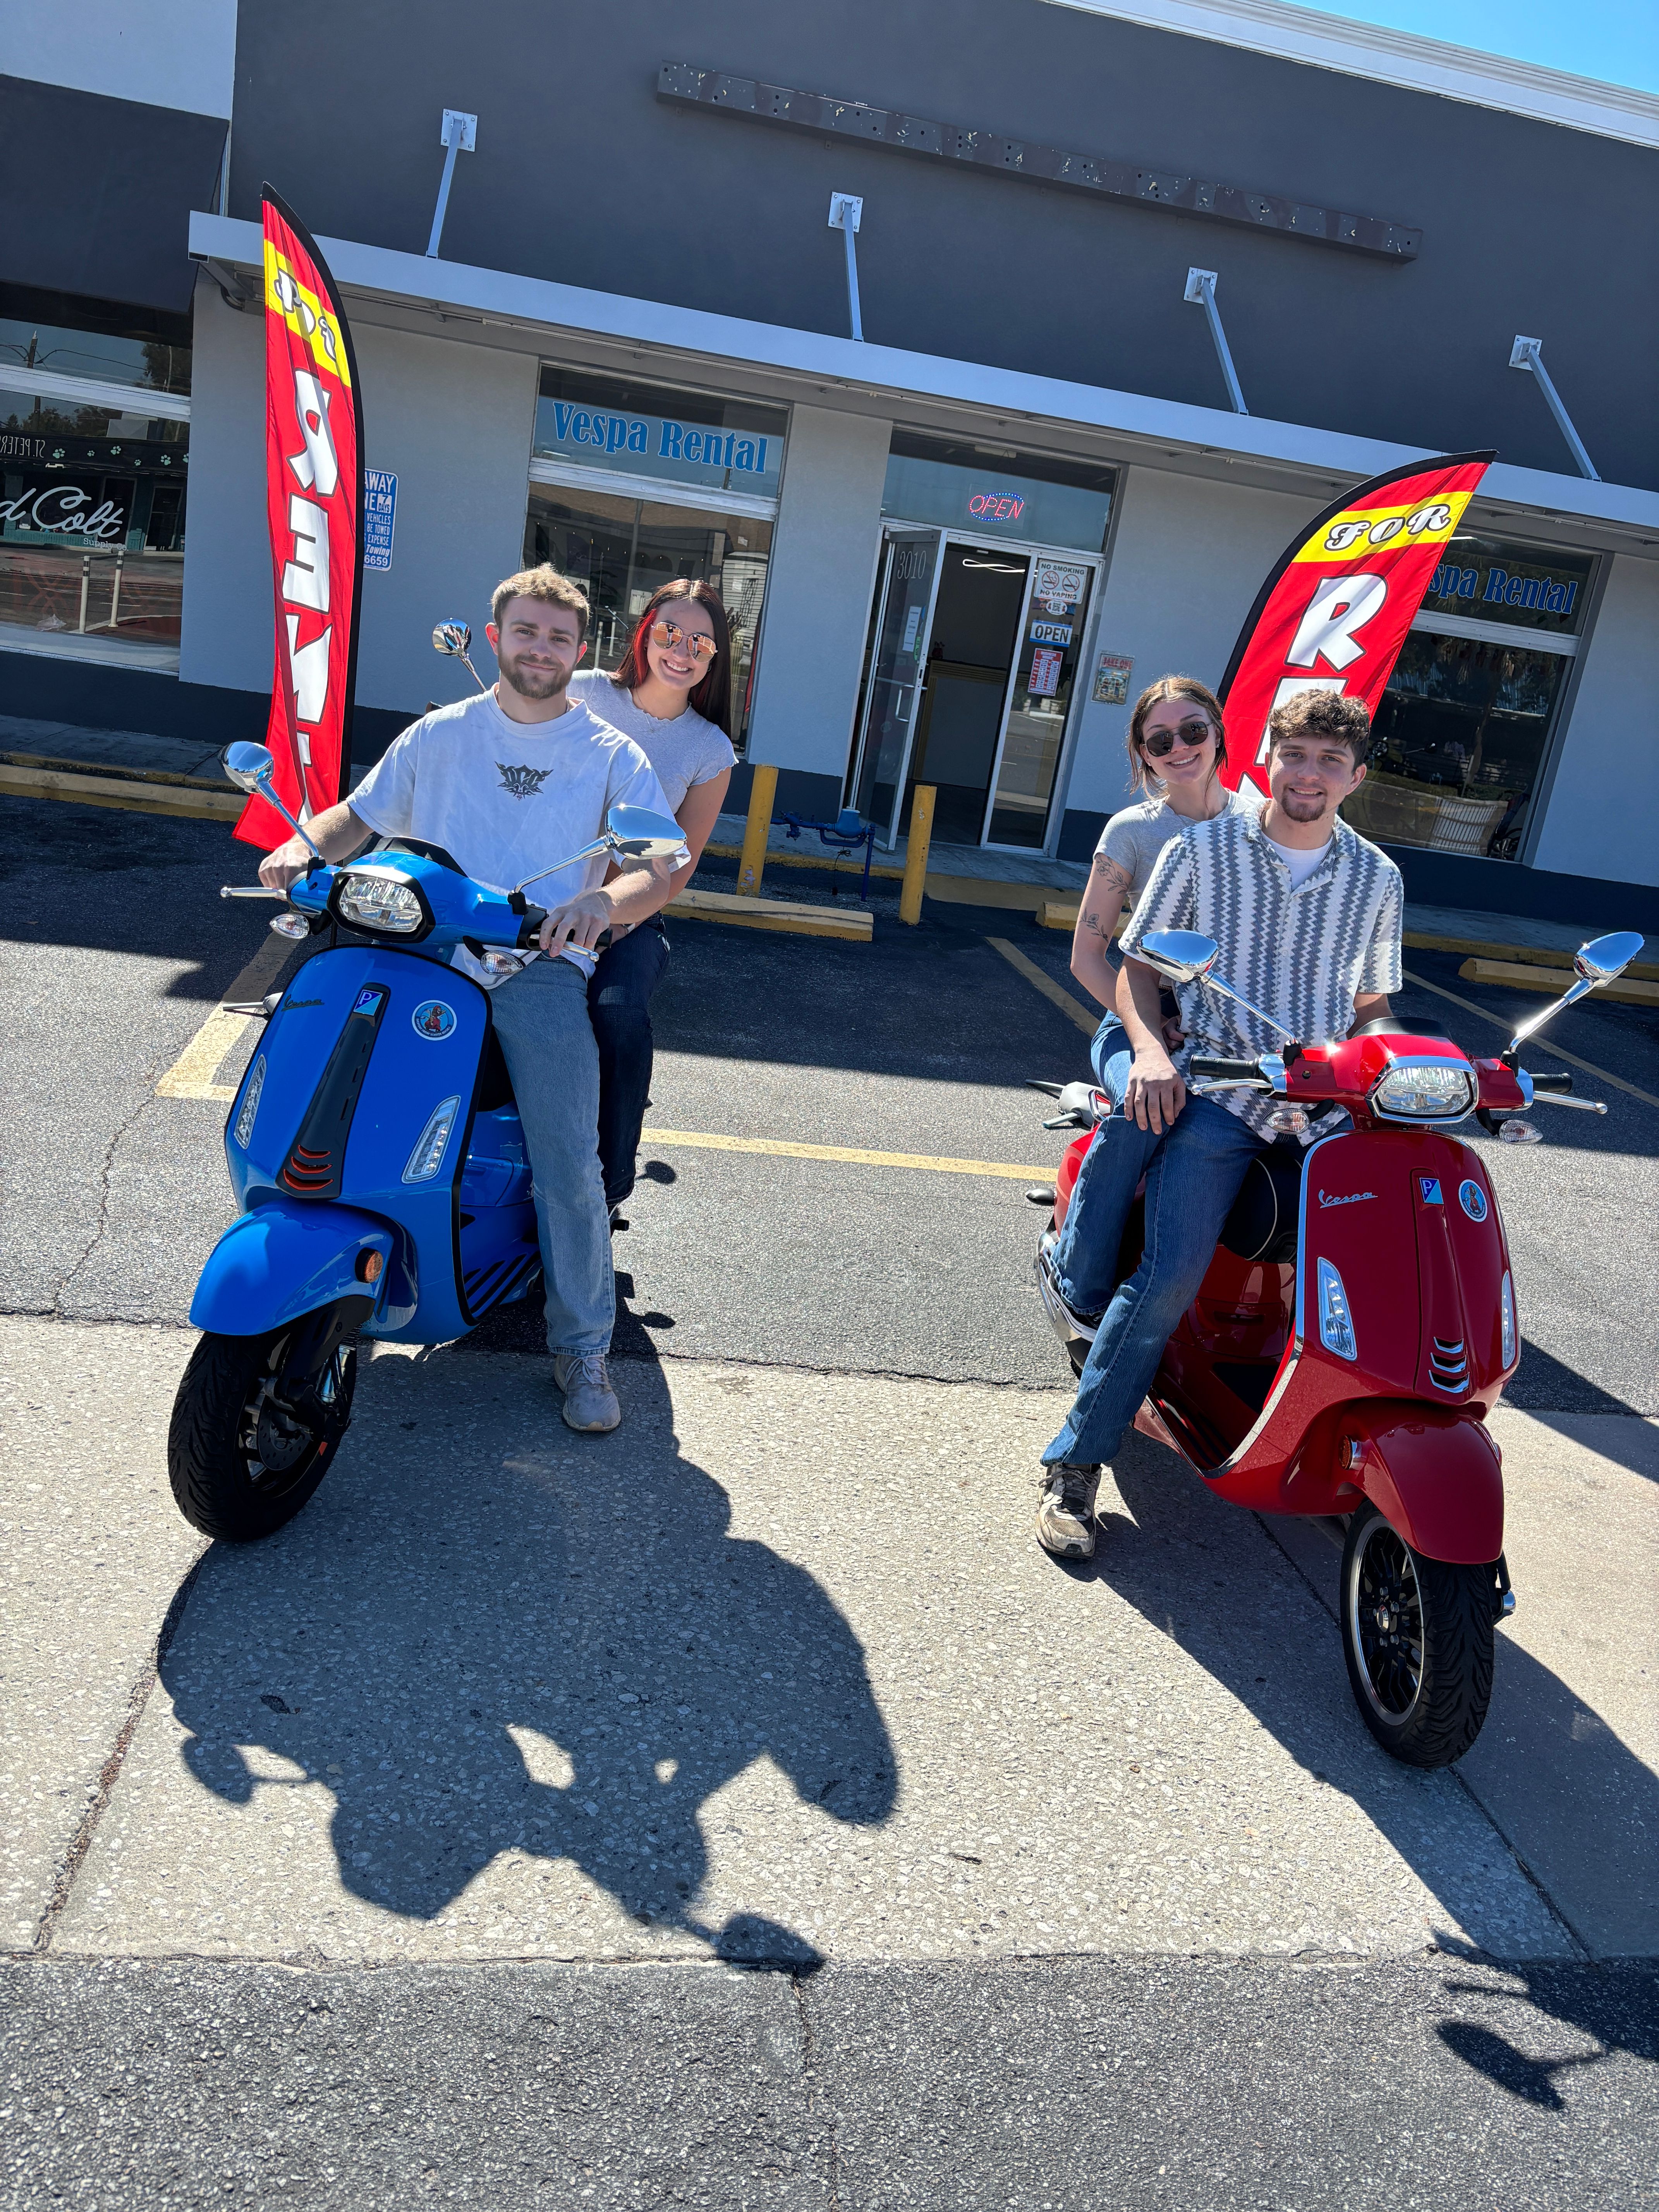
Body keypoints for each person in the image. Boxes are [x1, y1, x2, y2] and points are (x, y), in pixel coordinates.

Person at [257, 565, 676, 1439]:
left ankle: (584, 1344)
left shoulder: (610, 753)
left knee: (569, 1157)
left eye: (560, 638)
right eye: (526, 633)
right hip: (411, 946)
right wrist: (301, 848)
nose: (541, 650)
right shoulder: (441, 733)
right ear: (497, 639)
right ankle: (332, 1270)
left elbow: (657, 864)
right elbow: (356, 817)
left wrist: (605, 901)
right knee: (328, 1088)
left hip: (536, 962)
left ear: (580, 651)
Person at [1034, 689, 1403, 1559]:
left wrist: (1393, 1067)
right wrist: (1153, 1054)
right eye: (1297, 755)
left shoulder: (1378, 877)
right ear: (1268, 756)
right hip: (1223, 1095)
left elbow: (1373, 1002)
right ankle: (1074, 1465)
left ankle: (1339, 1442)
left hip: (1322, 1112)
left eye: (1329, 762)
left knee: (1380, 1268)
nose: (1309, 775)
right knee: (1165, 1281)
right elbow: (1137, 968)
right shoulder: (1200, 852)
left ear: (1355, 776)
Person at [1040, 678, 1262, 1338]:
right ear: (1145, 756)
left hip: (1232, 1029)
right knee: (1149, 1108)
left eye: (1193, 730)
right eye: (1160, 741)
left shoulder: (1261, 823)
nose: (1181, 748)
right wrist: (1148, 1032)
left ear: (1219, 731)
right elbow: (1087, 956)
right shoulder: (1134, 831)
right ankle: (1076, 1278)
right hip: (1138, 1020)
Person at [568, 580, 736, 1220]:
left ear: (716, 658)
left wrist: (607, 920)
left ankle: (607, 1188)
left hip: (628, 918)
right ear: (644, 632)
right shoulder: (582, 692)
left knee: (616, 1012)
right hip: (534, 892)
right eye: (670, 632)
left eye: (701, 642)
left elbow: (675, 868)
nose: (682, 650)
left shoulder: (709, 749)